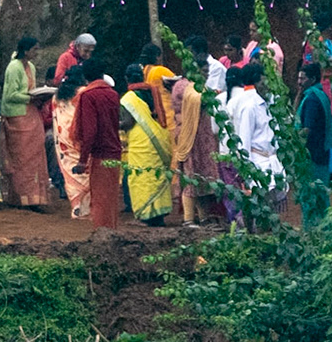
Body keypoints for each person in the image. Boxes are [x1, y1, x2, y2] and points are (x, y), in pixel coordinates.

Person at [227, 62, 285, 221]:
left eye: (268, 83)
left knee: (274, 207)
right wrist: (248, 171)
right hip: (258, 162)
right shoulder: (250, 107)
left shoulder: (273, 103)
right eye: (262, 83)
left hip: (274, 161)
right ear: (256, 84)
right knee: (260, 207)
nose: (266, 86)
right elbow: (244, 142)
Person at [0, 37, 49, 208]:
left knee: (35, 155)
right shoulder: (14, 67)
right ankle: (21, 197)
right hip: (18, 116)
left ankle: (35, 197)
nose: (36, 52)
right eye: (34, 49)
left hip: (31, 114)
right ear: (25, 50)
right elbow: (10, 94)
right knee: (21, 157)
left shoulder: (31, 67)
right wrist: (30, 97)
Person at [72, 60, 124, 230]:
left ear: (84, 77)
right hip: (114, 150)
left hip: (100, 153)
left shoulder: (88, 95)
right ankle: (112, 231)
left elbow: (90, 131)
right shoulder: (113, 94)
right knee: (111, 197)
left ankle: (103, 235)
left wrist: (82, 160)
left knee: (100, 198)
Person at [120, 65, 172, 226]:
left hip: (140, 142)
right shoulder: (151, 91)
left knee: (141, 178)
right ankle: (159, 216)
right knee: (156, 176)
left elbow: (128, 123)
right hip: (157, 138)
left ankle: (146, 216)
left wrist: (114, 123)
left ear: (127, 79)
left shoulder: (128, 99)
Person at [170, 52, 218, 226]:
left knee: (202, 178)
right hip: (190, 137)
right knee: (191, 177)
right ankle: (188, 219)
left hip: (202, 139)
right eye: (203, 71)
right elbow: (197, 99)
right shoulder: (185, 87)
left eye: (207, 72)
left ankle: (203, 216)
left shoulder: (195, 86)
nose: (206, 75)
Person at [51, 71, 90, 221]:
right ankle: (86, 209)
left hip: (63, 138)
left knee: (70, 173)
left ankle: (77, 208)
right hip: (78, 135)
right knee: (86, 171)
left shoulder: (56, 96)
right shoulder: (82, 92)